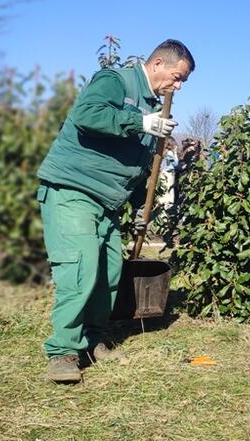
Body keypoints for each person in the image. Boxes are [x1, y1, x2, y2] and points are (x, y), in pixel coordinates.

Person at [36, 39, 195, 383]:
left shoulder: (155, 110)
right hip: (73, 190)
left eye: (183, 82)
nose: (178, 86)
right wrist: (141, 122)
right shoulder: (115, 81)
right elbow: (86, 115)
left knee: (107, 275)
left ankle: (92, 340)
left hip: (107, 204)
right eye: (177, 77)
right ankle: (63, 352)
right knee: (81, 271)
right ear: (157, 65)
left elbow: (140, 169)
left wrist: (140, 207)